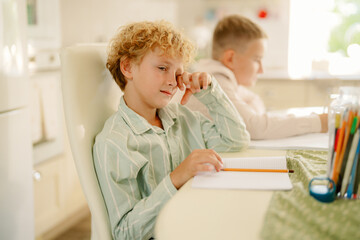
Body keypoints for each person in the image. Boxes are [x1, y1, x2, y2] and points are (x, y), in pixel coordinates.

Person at [92, 20, 250, 239]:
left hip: (200, 222)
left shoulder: (183, 117)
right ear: (128, 67)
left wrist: (211, 92)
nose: (173, 82)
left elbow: (237, 141)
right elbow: (125, 232)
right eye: (163, 68)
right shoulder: (115, 142)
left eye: (178, 74)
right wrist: (176, 178)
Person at [182, 14, 328, 140]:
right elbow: (256, 128)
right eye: (257, 59)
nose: (261, 69)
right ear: (230, 59)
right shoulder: (214, 81)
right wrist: (317, 122)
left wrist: (253, 117)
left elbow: (254, 100)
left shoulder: (222, 77)